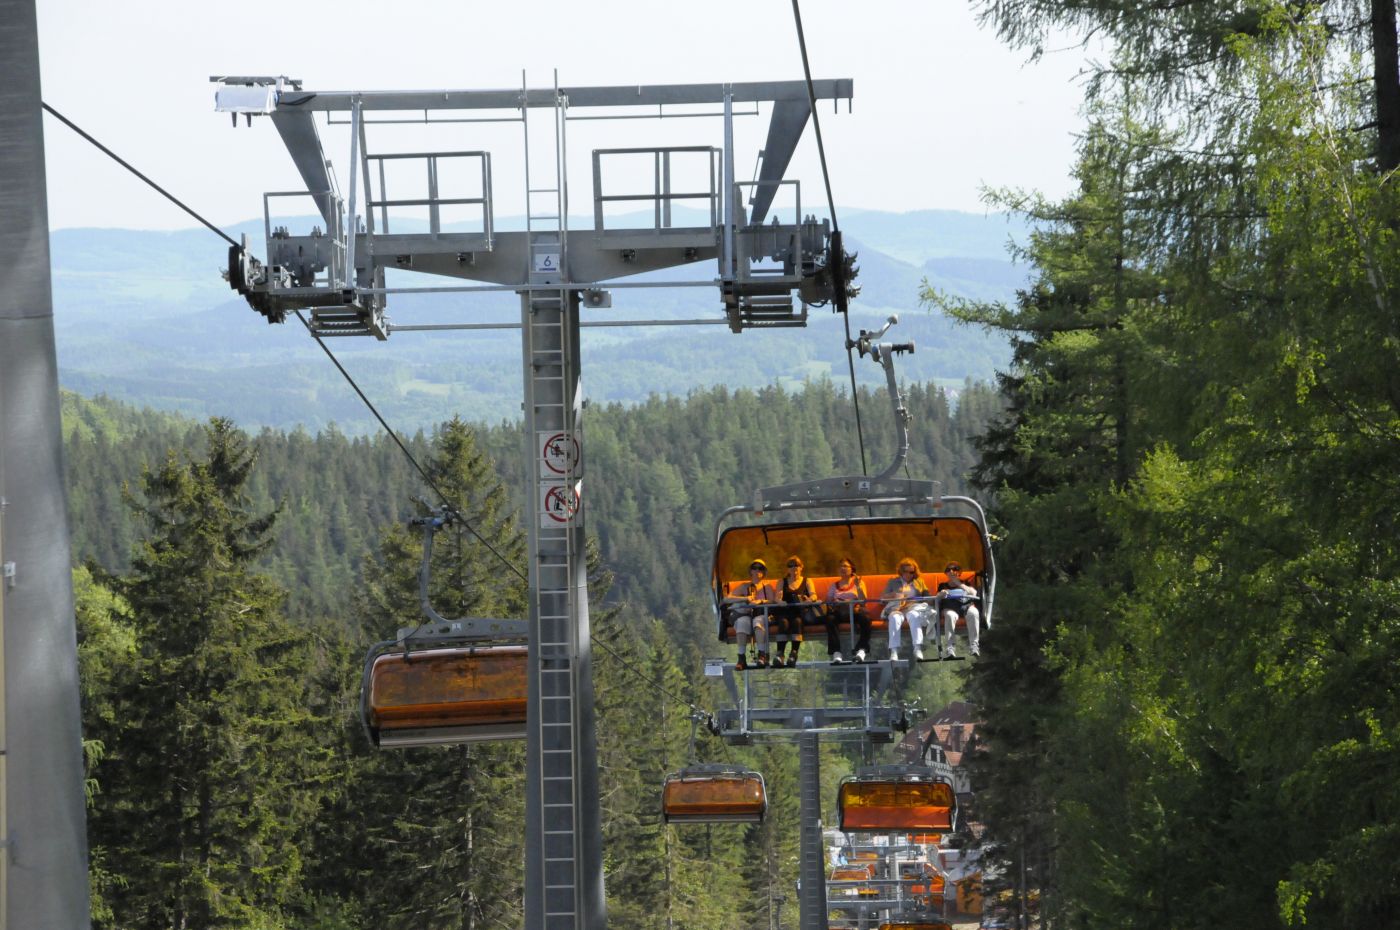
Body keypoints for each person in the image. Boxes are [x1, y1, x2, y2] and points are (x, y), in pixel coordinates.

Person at [723, 559, 775, 670]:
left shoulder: (767, 587)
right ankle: (741, 658)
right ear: (750, 571)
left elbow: (773, 601)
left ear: (764, 572)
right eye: (754, 568)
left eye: (760, 568)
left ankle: (762, 654)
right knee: (741, 623)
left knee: (757, 622)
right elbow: (727, 599)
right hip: (747, 615)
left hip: (762, 614)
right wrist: (745, 598)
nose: (757, 570)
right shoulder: (744, 587)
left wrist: (760, 602)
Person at [880, 557, 933, 661]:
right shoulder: (893, 582)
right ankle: (894, 650)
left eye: (911, 572)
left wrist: (935, 598)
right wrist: (894, 595)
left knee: (914, 615)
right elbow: (882, 598)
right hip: (897, 608)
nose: (908, 574)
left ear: (914, 572)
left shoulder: (919, 582)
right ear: (901, 571)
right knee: (894, 618)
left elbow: (927, 595)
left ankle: (917, 648)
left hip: (912, 607)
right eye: (905, 571)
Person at [772, 555, 818, 667]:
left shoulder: (807, 581)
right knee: (783, 623)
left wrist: (809, 600)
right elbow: (776, 598)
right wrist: (779, 601)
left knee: (797, 622)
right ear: (788, 569)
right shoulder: (782, 582)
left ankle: (794, 653)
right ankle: (780, 653)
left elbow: (814, 595)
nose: (794, 568)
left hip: (799, 611)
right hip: (785, 611)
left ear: (801, 567)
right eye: (791, 566)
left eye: (796, 565)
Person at [825, 557, 871, 663]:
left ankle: (861, 650)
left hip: (854, 611)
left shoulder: (859, 583)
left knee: (866, 619)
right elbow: (827, 602)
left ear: (852, 569)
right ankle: (836, 652)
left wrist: (858, 587)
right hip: (839, 612)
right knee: (830, 619)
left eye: (845, 566)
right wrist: (835, 601)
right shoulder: (834, 585)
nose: (843, 568)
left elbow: (863, 601)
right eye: (841, 566)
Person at [936, 562, 981, 658]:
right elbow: (937, 598)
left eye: (954, 569)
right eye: (948, 570)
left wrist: (958, 583)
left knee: (974, 612)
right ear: (946, 573)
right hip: (950, 608)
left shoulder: (965, 584)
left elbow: (973, 593)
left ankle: (974, 645)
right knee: (950, 615)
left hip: (966, 606)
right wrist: (942, 594)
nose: (951, 572)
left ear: (959, 572)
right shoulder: (942, 585)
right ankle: (950, 647)